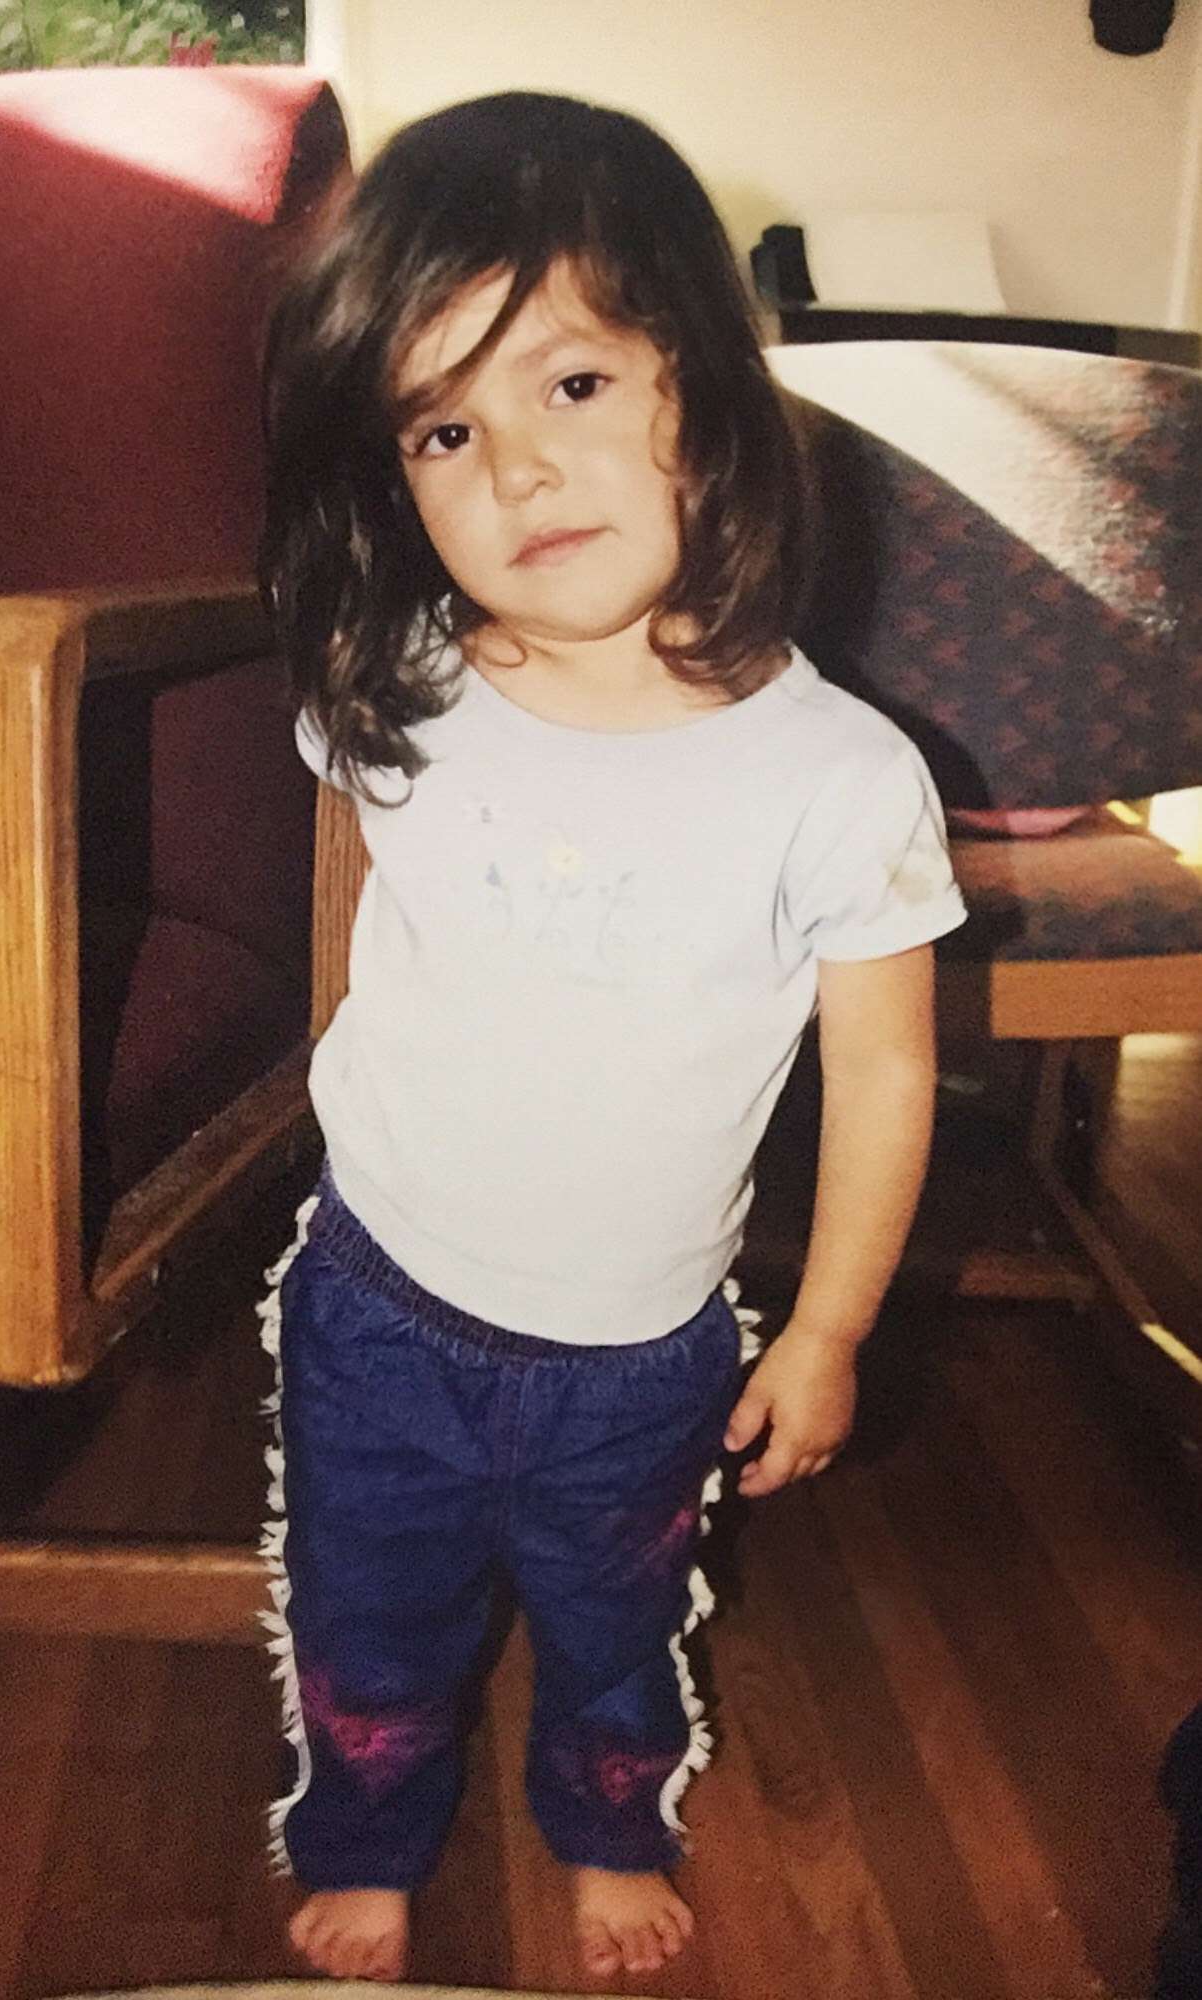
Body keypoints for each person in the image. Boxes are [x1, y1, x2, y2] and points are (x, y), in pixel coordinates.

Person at [254, 88, 967, 1986]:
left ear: (704, 391)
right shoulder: (397, 689)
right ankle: (366, 1832)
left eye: (571, 383)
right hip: (378, 1303)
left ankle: (608, 1822)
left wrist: (828, 1331)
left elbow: (886, 1070)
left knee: (616, 1624)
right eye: (443, 428)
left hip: (640, 1356)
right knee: (365, 1621)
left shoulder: (840, 778)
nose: (517, 470)